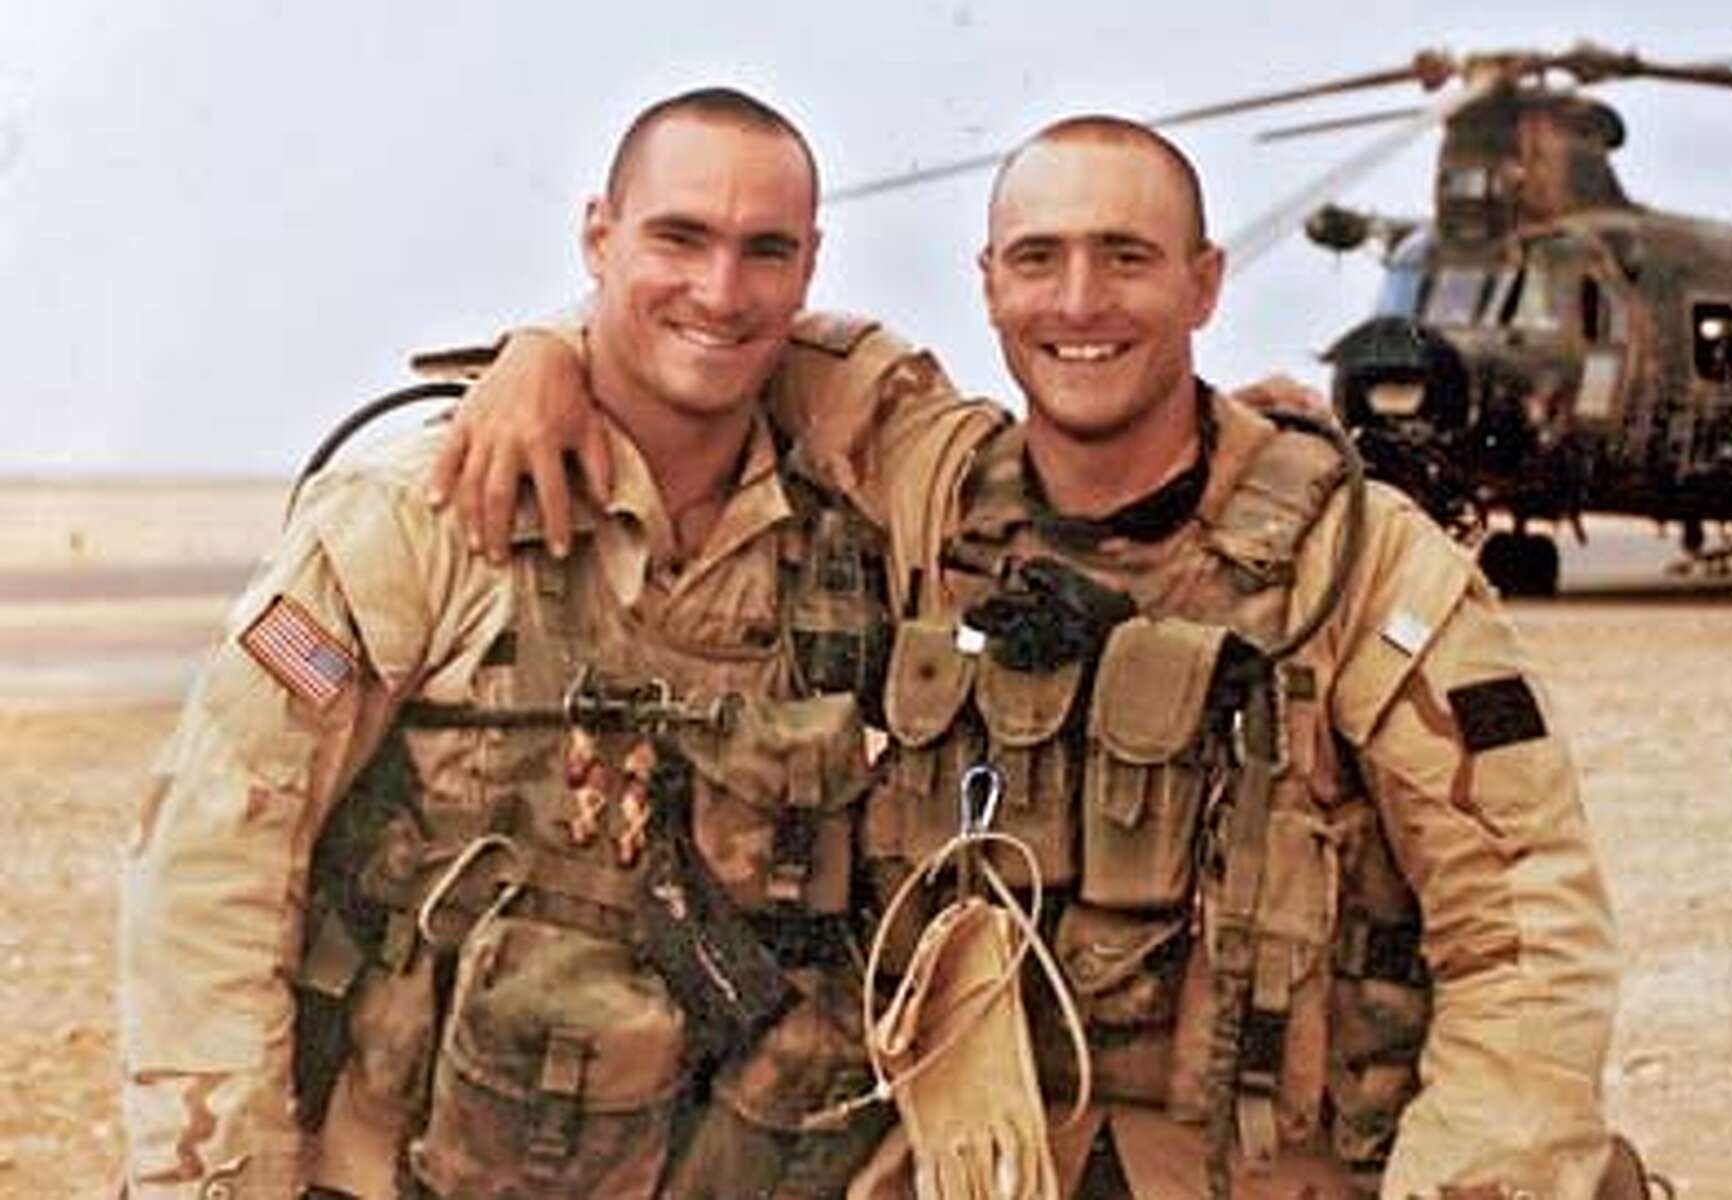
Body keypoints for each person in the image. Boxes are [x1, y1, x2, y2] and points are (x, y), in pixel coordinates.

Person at [438, 116, 1635, 1198]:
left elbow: (1524, 932)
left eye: (1126, 257)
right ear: (990, 288)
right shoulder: (938, 487)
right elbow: (715, 329)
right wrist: (542, 351)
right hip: (988, 1159)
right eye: (1037, 259)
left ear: (1205, 283)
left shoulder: (1357, 563)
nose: (1078, 302)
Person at [117, 87, 986, 1199]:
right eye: (679, 237)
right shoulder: (415, 513)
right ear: (598, 237)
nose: (721, 290)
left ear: (809, 268)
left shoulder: (854, 532)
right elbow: (213, 859)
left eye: (764, 250)